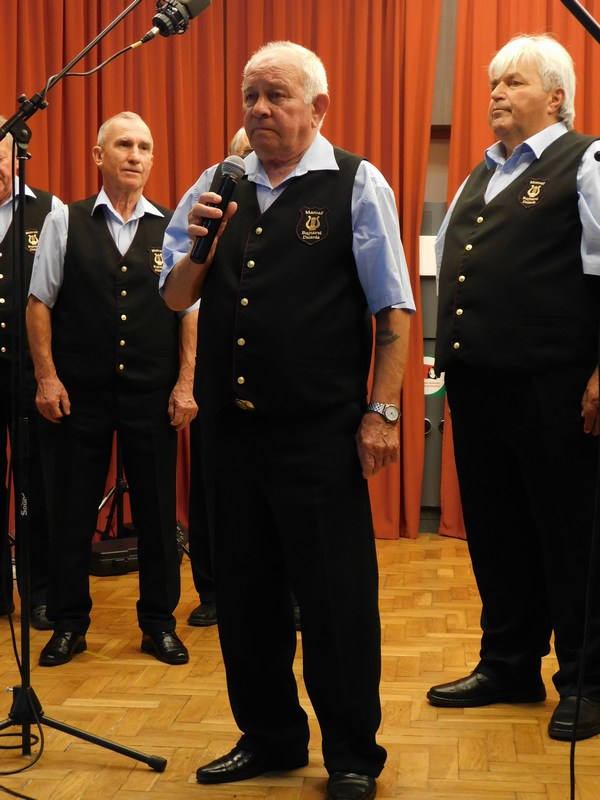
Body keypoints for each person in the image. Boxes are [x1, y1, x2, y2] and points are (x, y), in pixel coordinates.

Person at [160, 40, 414, 800]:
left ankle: (352, 754)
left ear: (318, 107)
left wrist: (382, 412)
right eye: (250, 96)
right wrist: (201, 244)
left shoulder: (357, 183)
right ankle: (269, 737)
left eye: (276, 95)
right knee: (245, 597)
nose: (260, 109)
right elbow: (174, 296)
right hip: (231, 434)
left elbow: (394, 309)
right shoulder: (218, 183)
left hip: (318, 435)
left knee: (335, 600)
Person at [429, 34, 600, 742]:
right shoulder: (481, 173)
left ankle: (587, 678)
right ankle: (509, 663)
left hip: (554, 387)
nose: (496, 93)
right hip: (478, 387)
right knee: (497, 532)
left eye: (514, 83)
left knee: (571, 536)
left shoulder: (586, 161)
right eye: (493, 83)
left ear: (556, 97)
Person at [26, 111, 198, 667]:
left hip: (153, 394)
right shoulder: (64, 220)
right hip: (80, 395)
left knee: (157, 514)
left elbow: (189, 312)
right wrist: (47, 377)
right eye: (124, 145)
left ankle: (159, 624)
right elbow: (38, 304)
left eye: (144, 147)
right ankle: (69, 623)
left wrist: (186, 383)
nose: (135, 156)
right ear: (99, 155)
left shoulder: (173, 227)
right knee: (71, 512)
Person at [185, 125, 252, 629]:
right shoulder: (210, 189)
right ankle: (211, 591)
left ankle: (291, 594)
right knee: (210, 490)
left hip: (279, 377)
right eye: (243, 155)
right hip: (217, 370)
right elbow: (178, 285)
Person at [0, 116, 62, 631]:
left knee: (36, 484)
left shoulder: (51, 210)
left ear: (16, 156)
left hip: (29, 372)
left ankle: (39, 594)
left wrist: (51, 373)